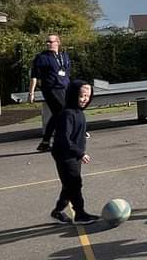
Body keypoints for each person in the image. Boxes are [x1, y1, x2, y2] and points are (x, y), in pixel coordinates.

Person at [49, 79, 99, 224]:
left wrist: (82, 134)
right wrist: (80, 153)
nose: (85, 99)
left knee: (70, 185)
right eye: (81, 96)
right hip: (65, 155)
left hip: (73, 154)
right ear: (73, 95)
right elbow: (64, 139)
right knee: (74, 184)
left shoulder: (79, 113)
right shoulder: (67, 114)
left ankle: (57, 211)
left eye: (87, 96)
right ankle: (80, 215)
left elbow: (73, 131)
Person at [28, 33, 72, 152]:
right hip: (51, 89)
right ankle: (69, 136)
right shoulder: (41, 57)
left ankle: (45, 142)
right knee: (64, 111)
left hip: (64, 87)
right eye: (47, 42)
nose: (48, 44)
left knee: (58, 114)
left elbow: (67, 72)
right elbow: (34, 76)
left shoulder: (64, 55)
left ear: (58, 43)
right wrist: (31, 93)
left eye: (51, 41)